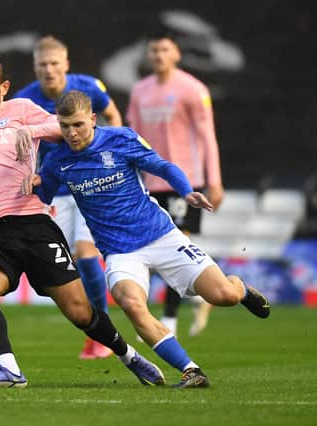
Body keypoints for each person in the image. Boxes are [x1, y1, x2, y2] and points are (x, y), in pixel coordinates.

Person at [0, 59, 166, 388]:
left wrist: (29, 130)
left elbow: (61, 130)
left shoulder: (21, 109)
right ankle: (9, 369)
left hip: (34, 223)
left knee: (80, 311)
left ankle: (129, 356)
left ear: (3, 88)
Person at [22, 90, 270, 388]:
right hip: (119, 253)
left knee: (223, 296)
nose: (71, 134)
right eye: (64, 126)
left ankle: (240, 288)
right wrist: (34, 183)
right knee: (131, 304)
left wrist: (185, 190)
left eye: (78, 125)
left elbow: (162, 166)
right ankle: (192, 371)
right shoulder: (58, 159)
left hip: (161, 236)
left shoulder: (121, 139)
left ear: (93, 119)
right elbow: (44, 194)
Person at [13, 35, 123, 359]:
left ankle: (102, 336)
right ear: (35, 67)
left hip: (89, 184)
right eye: (42, 65)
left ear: (66, 65)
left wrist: (112, 155)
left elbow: (113, 115)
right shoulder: (24, 100)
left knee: (87, 253)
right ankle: (97, 327)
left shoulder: (87, 86)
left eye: (54, 64)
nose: (48, 70)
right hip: (54, 190)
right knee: (66, 263)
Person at [126, 31, 224, 337]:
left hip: (185, 182)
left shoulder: (193, 89)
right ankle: (209, 285)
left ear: (177, 54)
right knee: (149, 251)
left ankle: (168, 321)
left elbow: (207, 136)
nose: (158, 55)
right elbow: (133, 139)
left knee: (177, 248)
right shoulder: (140, 91)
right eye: (154, 49)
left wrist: (214, 180)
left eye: (164, 49)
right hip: (149, 183)